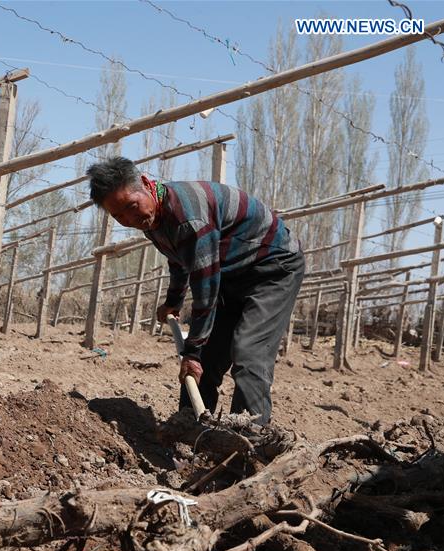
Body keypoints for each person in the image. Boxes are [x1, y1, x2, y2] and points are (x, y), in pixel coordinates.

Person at [86, 156, 305, 425]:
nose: (130, 219)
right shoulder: (153, 217)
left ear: (145, 183)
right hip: (232, 272)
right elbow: (179, 259)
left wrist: (191, 353)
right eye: (118, 215)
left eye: (132, 207)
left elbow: (206, 290)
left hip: (272, 267)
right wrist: (173, 301)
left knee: (249, 354)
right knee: (207, 358)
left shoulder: (189, 218)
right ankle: (191, 433)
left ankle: (249, 446)